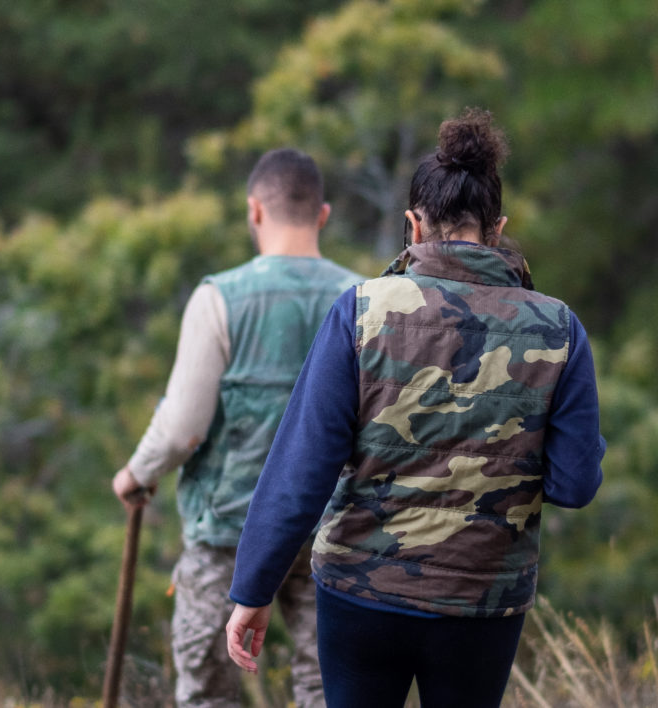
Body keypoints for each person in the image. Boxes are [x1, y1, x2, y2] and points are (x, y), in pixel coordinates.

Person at [225, 108, 605, 707]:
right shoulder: (558, 329)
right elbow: (574, 484)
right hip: (482, 601)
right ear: (498, 227)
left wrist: (253, 589)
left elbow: (303, 467)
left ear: (413, 225)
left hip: (361, 594)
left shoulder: (360, 312)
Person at [113, 148, 363, 708]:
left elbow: (183, 429)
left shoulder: (218, 299)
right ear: (322, 214)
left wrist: (136, 473)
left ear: (254, 211)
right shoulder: (364, 300)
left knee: (208, 694)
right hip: (336, 532)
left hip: (229, 532)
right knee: (329, 690)